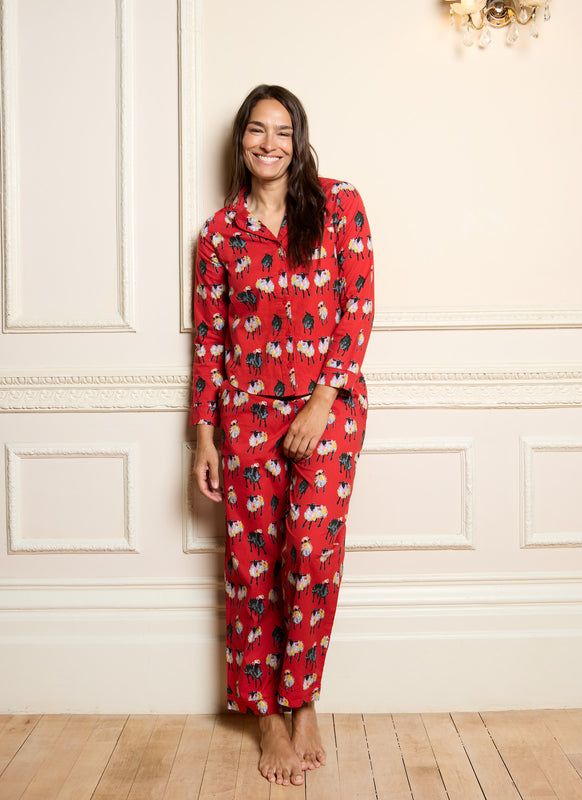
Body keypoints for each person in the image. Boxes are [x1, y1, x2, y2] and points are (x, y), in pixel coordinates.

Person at [191, 84, 374, 786]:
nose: (269, 144)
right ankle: (263, 712)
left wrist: (321, 402)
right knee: (250, 565)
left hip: (326, 412)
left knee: (312, 555)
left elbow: (356, 305)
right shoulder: (219, 234)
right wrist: (203, 439)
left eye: (283, 132)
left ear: (299, 140)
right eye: (256, 132)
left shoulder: (339, 204)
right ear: (240, 140)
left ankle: (302, 701)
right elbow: (209, 343)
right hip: (243, 416)